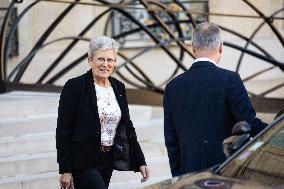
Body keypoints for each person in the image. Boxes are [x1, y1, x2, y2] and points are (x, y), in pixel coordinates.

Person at [163, 22, 267, 177]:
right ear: (221, 47)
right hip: (225, 173)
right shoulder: (230, 80)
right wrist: (277, 131)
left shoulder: (172, 87)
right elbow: (249, 123)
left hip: (188, 177)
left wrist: (178, 177)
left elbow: (171, 141)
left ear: (193, 48)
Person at [56, 36, 150, 189]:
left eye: (110, 60)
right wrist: (65, 169)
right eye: (100, 59)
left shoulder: (119, 88)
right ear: (90, 60)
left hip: (107, 158)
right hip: (83, 161)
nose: (105, 64)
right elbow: (63, 130)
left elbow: (128, 127)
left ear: (115, 63)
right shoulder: (75, 87)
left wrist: (140, 161)